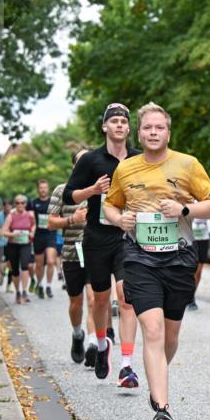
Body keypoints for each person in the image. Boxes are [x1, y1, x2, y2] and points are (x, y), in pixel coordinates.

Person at [103, 102, 210, 420]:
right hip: (139, 259)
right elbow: (110, 204)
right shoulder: (126, 169)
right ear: (139, 133)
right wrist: (119, 219)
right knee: (152, 331)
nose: (153, 132)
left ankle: (157, 378)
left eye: (159, 127)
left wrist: (184, 208)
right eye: (147, 128)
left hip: (179, 258)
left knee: (169, 337)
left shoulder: (188, 164)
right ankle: (162, 409)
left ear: (168, 132)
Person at [63, 102, 141, 386]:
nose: (119, 125)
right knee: (99, 300)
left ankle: (126, 365)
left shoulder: (138, 159)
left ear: (129, 128)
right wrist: (93, 190)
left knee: (126, 297)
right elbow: (69, 196)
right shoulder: (91, 160)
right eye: (114, 121)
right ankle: (102, 344)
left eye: (124, 121)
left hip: (127, 237)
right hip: (97, 238)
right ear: (105, 127)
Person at [49, 148, 100, 365]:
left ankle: (93, 343)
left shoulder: (101, 190)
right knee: (76, 303)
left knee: (94, 299)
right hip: (71, 253)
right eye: (81, 161)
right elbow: (51, 223)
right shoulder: (62, 191)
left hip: (95, 252)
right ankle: (78, 334)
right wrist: (72, 219)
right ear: (74, 166)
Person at [2, 195, 35, 304]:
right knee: (15, 270)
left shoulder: (30, 215)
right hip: (13, 245)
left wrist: (32, 232)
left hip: (25, 244)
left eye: (22, 203)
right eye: (17, 203)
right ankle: (17, 292)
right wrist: (12, 234)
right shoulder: (11, 216)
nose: (20, 205)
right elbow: (3, 231)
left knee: (25, 266)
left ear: (25, 204)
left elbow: (34, 226)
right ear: (15, 204)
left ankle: (24, 291)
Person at [29, 180, 59, 298]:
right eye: (41, 188)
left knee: (51, 261)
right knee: (39, 264)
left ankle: (49, 286)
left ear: (48, 189)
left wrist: (54, 222)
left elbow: (58, 216)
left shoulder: (53, 202)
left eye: (45, 187)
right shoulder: (33, 203)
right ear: (38, 189)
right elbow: (31, 220)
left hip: (51, 234)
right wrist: (32, 229)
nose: (43, 190)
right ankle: (40, 285)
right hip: (38, 236)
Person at [188, 215, 210, 311]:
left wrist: (207, 211)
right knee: (190, 270)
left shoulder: (205, 203)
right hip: (189, 238)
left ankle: (191, 296)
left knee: (198, 272)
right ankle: (188, 295)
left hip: (203, 239)